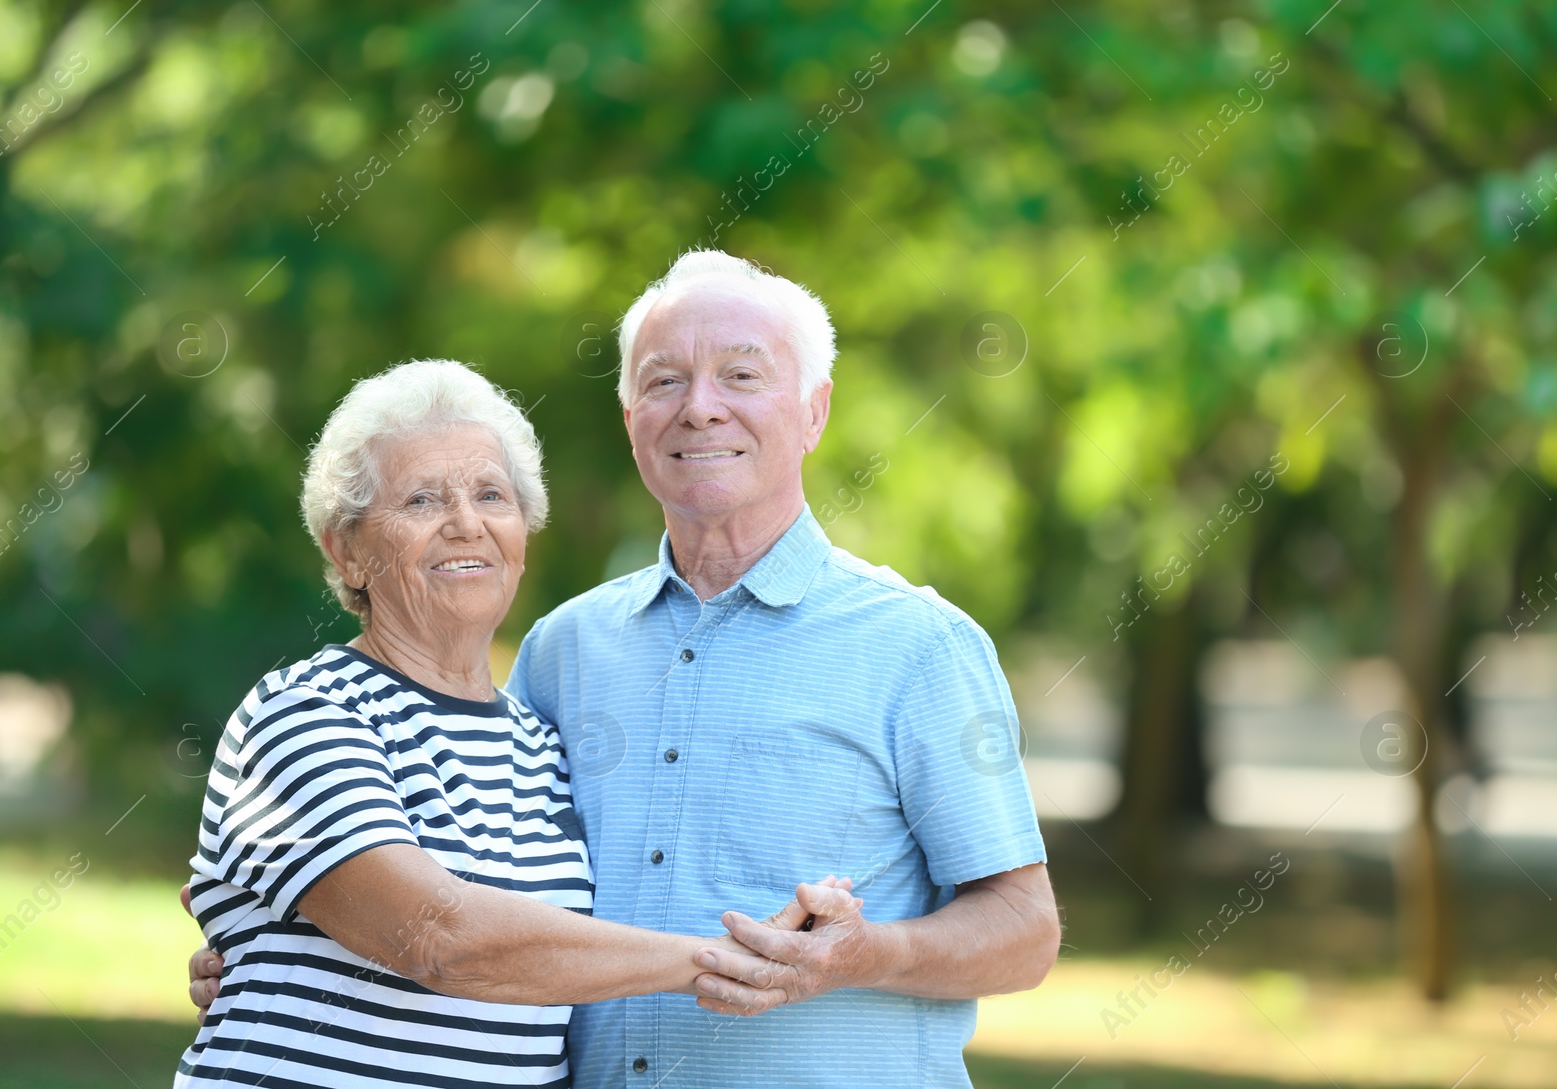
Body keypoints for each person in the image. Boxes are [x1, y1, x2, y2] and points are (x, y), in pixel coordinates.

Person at [191, 252, 1061, 1087]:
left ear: (814, 412)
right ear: (630, 418)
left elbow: (1026, 931)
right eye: (664, 380)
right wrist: (276, 945)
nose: (701, 408)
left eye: (742, 375)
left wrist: (871, 954)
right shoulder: (563, 654)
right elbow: (444, 917)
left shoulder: (917, 645)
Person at [175, 359, 811, 1089]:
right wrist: (724, 961)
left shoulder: (542, 744)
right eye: (421, 500)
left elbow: (550, 966)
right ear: (346, 550)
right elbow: (438, 935)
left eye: (491, 495)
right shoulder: (305, 712)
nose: (466, 524)